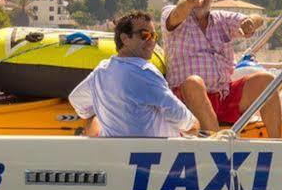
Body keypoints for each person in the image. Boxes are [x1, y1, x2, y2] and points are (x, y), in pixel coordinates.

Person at [163, 0, 281, 137]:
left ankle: (276, 146)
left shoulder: (221, 18)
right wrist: (188, 2)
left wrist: (250, 23)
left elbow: (257, 18)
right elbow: (176, 15)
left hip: (223, 95)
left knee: (266, 80)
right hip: (187, 98)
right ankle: (217, 146)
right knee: (193, 83)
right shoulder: (171, 13)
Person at [68, 11, 198, 138]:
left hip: (114, 154)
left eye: (154, 36)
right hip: (153, 156)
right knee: (194, 126)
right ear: (125, 39)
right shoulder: (145, 72)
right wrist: (194, 126)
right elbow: (180, 117)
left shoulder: (101, 72)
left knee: (93, 117)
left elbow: (76, 100)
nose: (152, 41)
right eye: (145, 35)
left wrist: (99, 112)